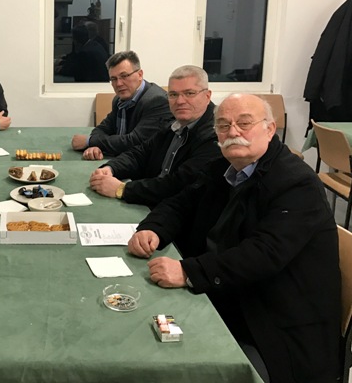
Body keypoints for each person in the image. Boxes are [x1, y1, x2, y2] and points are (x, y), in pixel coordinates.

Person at [128, 94, 340, 383]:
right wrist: (152, 228)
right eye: (224, 125)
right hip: (230, 290)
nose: (233, 132)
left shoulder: (297, 183)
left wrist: (188, 272)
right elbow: (181, 202)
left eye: (244, 123)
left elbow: (263, 254)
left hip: (274, 323)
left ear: (270, 129)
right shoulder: (224, 168)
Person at [89, 65, 221, 208]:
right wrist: (111, 168)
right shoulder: (174, 124)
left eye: (189, 93)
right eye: (173, 94)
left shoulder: (215, 136)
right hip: (154, 204)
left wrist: (122, 189)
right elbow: (140, 153)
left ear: (207, 96)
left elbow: (178, 185)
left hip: (177, 212)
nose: (180, 101)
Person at [72, 50, 172, 159]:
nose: (118, 84)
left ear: (140, 74)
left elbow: (134, 142)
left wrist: (89, 141)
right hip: (123, 160)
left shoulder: (157, 101)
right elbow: (103, 128)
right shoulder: (119, 100)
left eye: (124, 76)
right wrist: (95, 146)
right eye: (113, 79)